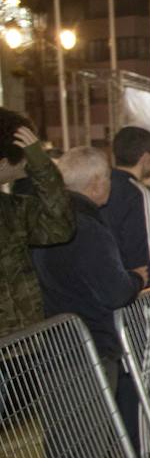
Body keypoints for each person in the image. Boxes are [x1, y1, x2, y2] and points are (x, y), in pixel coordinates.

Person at [30, 147, 144, 458]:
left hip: (55, 341)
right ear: (97, 182)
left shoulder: (45, 220)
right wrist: (137, 280)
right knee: (82, 437)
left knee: (67, 434)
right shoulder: (87, 227)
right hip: (86, 344)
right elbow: (114, 290)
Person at [0, 111, 74, 338]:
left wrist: (42, 165)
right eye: (26, 156)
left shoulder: (13, 208)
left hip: (19, 347)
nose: (29, 162)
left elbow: (59, 227)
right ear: (3, 163)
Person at [103, 126, 150, 287]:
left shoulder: (104, 183)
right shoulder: (137, 192)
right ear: (145, 157)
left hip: (110, 278)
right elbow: (143, 245)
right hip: (133, 283)